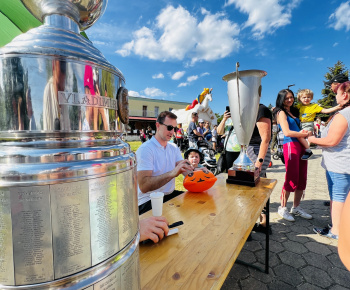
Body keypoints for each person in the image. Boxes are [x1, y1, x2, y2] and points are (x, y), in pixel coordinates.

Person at [309, 81, 350, 240]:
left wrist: (313, 139)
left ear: (345, 95)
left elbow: (332, 140)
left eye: (337, 94)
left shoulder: (344, 114)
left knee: (338, 198)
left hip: (339, 164)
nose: (335, 97)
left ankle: (336, 231)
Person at [136, 111, 193, 215]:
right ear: (158, 125)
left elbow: (185, 169)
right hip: (148, 201)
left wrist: (199, 171)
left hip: (168, 195)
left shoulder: (173, 147)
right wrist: (172, 173)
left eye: (175, 129)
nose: (172, 132)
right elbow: (144, 186)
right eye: (169, 127)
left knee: (195, 205)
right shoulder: (146, 149)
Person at [273, 89, 312, 222]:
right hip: (290, 145)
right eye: (286, 98)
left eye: (291, 97)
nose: (289, 100)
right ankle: (282, 207)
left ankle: (296, 207)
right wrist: (304, 134)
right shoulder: (280, 112)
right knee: (291, 176)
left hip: (301, 146)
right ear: (281, 99)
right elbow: (287, 132)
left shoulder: (294, 111)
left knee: (302, 177)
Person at [247, 103, 272, 232]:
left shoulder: (260, 109)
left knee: (254, 190)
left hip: (257, 151)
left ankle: (250, 226)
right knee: (259, 189)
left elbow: (265, 139)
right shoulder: (251, 110)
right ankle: (263, 223)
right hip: (252, 150)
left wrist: (259, 162)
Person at [296, 89, 340, 160]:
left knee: (302, 136)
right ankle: (306, 149)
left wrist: (336, 107)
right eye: (304, 97)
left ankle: (308, 150)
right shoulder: (299, 106)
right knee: (303, 138)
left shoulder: (314, 106)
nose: (306, 99)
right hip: (300, 124)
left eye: (308, 97)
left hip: (308, 124)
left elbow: (325, 110)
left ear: (311, 98)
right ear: (299, 99)